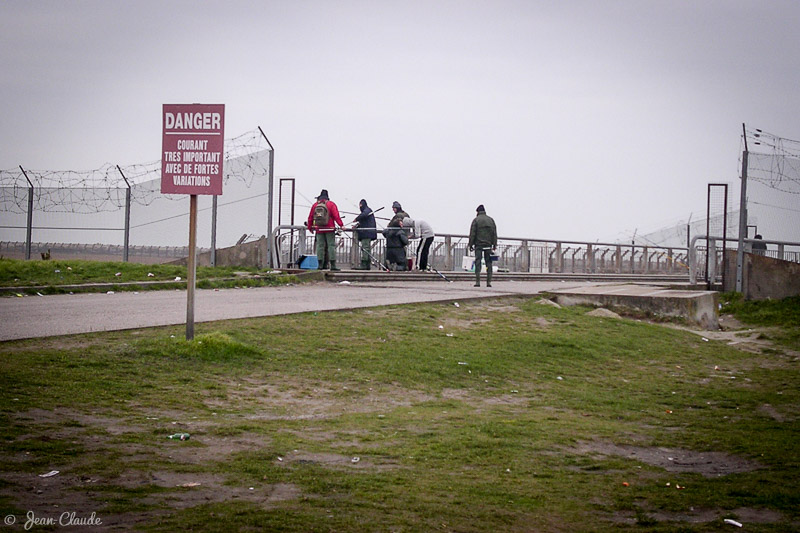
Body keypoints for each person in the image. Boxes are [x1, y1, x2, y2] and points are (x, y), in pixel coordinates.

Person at [306, 189, 344, 270]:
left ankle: (320, 265)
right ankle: (333, 265)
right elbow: (336, 216)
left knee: (320, 246)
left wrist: (310, 227)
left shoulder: (315, 205)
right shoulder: (331, 204)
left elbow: (310, 217)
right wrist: (341, 225)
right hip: (330, 228)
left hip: (319, 228)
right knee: (331, 246)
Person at [468, 204, 497, 287]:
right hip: (488, 245)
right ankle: (489, 282)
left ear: (477, 212)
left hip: (479, 245)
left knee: (478, 262)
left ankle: (478, 282)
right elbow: (494, 233)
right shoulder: (491, 220)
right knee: (489, 263)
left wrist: (470, 244)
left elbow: (472, 233)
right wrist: (494, 244)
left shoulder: (476, 220)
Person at [353, 199, 377, 270]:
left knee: (365, 248)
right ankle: (367, 264)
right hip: (367, 233)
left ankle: (364, 264)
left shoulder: (367, 210)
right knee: (367, 248)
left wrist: (357, 218)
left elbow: (363, 215)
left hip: (366, 233)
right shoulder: (368, 211)